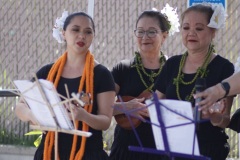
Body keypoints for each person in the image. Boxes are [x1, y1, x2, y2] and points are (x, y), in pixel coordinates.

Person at [15, 11, 115, 160]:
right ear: (63, 33)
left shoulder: (101, 74)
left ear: (93, 36)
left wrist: (83, 116)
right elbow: (20, 106)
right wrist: (32, 115)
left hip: (87, 154)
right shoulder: (46, 72)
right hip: (49, 154)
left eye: (88, 32)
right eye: (75, 29)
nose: (82, 35)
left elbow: (105, 121)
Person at [155, 3, 234, 160]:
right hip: (172, 148)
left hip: (208, 149)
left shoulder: (224, 68)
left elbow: (225, 119)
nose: (191, 33)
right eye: (185, 28)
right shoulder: (172, 64)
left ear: (213, 32)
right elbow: (156, 103)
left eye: (199, 28)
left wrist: (214, 118)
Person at [109, 4, 179, 160]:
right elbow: (100, 107)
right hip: (125, 152)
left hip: (163, 152)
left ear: (165, 35)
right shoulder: (123, 69)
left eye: (152, 32)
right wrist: (125, 107)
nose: (145, 37)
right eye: (140, 32)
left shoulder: (175, 69)